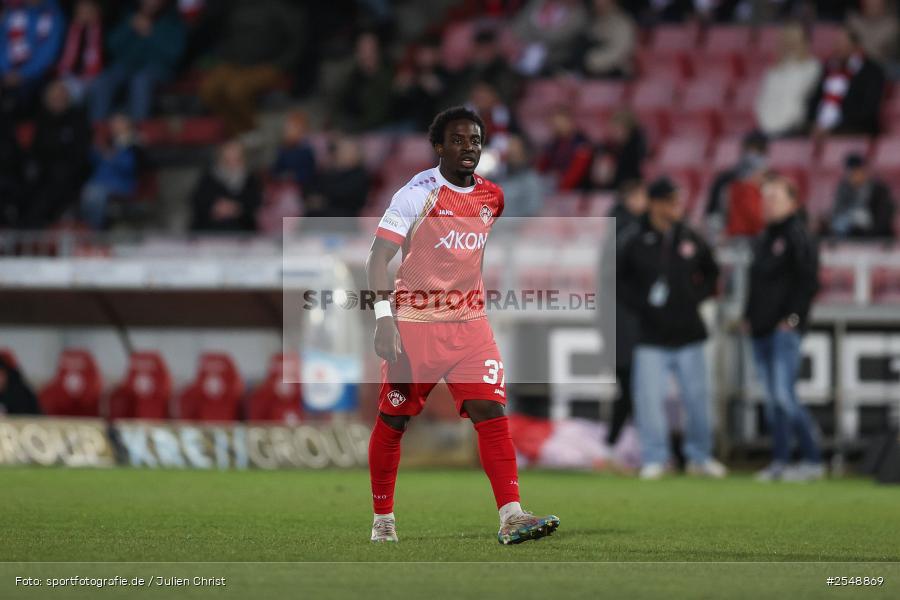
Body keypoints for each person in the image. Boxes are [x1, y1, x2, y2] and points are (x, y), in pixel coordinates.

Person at [366, 106, 559, 544]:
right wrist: (383, 319)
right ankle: (383, 519)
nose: (467, 147)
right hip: (415, 326)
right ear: (438, 146)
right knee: (394, 421)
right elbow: (378, 258)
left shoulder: (493, 197)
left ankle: (512, 515)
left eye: (474, 140)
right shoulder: (416, 194)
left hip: (470, 326)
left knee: (490, 412)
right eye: (457, 139)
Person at [617, 177, 725, 480]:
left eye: (678, 200)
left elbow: (712, 272)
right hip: (651, 335)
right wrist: (642, 305)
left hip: (689, 332)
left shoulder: (690, 235)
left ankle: (700, 456)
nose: (676, 206)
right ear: (655, 203)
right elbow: (619, 279)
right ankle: (655, 457)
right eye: (670, 201)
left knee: (698, 398)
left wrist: (695, 297)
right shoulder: (634, 238)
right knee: (649, 400)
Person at [744, 174, 824, 482]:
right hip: (761, 328)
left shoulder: (797, 234)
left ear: (793, 202)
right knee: (774, 399)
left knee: (783, 396)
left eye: (776, 197)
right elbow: (757, 283)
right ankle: (780, 461)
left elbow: (808, 281)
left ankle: (813, 459)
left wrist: (792, 318)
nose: (769, 204)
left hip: (783, 330)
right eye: (766, 198)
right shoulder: (765, 237)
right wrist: (748, 316)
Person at [198, 0, 304, 135]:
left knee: (236, 92)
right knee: (208, 91)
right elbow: (226, 34)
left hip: (267, 65)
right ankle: (238, 130)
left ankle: (252, 132)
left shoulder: (280, 8)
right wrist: (226, 55)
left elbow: (296, 41)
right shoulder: (237, 6)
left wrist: (282, 65)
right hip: (235, 63)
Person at [88, 0, 186, 123]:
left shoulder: (173, 19)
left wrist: (151, 33)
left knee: (140, 81)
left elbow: (174, 54)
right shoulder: (130, 15)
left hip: (157, 68)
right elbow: (111, 45)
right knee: (102, 82)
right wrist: (129, 27)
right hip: (126, 66)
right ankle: (98, 132)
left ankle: (137, 132)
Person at [605, 180, 647, 446]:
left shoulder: (615, 229)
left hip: (619, 322)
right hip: (627, 323)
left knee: (631, 387)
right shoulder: (629, 232)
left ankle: (616, 443)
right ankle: (617, 443)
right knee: (633, 386)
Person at [21, 79, 91, 227]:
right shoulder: (41, 119)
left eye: (61, 97)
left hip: (69, 177)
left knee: (50, 193)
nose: (57, 100)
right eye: (53, 97)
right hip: (41, 175)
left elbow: (81, 155)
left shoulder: (78, 120)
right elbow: (35, 152)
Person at [807, 26, 885, 137]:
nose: (837, 47)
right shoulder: (828, 68)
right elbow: (815, 98)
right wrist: (813, 122)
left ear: (855, 46)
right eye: (836, 43)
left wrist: (834, 127)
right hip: (819, 129)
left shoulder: (871, 71)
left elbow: (868, 109)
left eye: (842, 43)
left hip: (853, 129)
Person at [0, 0, 65, 119]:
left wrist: (22, 73)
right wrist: (4, 70)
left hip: (37, 74)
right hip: (7, 71)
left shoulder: (52, 13)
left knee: (22, 98)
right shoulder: (14, 10)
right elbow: (3, 41)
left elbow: (48, 52)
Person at [754, 24, 821, 138]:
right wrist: (767, 125)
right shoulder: (773, 71)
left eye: (794, 39)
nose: (790, 44)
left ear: (804, 41)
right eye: (787, 39)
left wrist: (787, 123)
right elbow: (762, 101)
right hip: (767, 128)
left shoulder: (812, 67)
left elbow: (800, 97)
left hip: (793, 128)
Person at [80, 113, 140, 230]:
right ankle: (85, 228)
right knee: (88, 191)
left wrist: (113, 157)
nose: (114, 126)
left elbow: (130, 168)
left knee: (95, 194)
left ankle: (95, 230)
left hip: (121, 185)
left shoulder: (134, 145)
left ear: (128, 125)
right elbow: (92, 161)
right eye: (113, 123)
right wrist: (96, 149)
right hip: (98, 183)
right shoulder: (108, 142)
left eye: (119, 123)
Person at [189, 139, 261, 232]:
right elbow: (198, 201)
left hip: (242, 231)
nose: (231, 164)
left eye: (236, 159)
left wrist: (237, 208)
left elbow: (255, 203)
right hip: (210, 230)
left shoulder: (250, 179)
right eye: (227, 160)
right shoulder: (209, 177)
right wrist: (214, 208)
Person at [706, 131, 768, 237]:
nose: (752, 156)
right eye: (748, 149)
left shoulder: (772, 182)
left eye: (758, 151)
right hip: (732, 239)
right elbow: (712, 215)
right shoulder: (724, 180)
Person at [333, 31, 393, 132]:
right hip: (353, 127)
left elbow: (379, 112)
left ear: (378, 50)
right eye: (362, 48)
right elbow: (337, 104)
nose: (366, 52)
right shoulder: (350, 76)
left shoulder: (389, 74)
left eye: (370, 48)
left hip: (382, 129)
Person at [828, 153, 895, 240]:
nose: (852, 175)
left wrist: (869, 234)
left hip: (876, 238)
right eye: (849, 172)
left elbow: (884, 219)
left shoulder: (879, 190)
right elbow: (837, 212)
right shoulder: (843, 189)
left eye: (855, 171)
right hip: (848, 236)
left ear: (863, 171)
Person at [512, 0, 587, 76]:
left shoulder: (578, 18)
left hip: (549, 62)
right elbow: (521, 20)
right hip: (516, 41)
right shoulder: (538, 2)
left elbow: (554, 39)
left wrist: (521, 41)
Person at [304, 136, 369, 223]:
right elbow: (313, 187)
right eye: (341, 151)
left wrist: (323, 200)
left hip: (344, 217)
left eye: (347, 151)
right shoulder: (330, 171)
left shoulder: (359, 174)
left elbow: (345, 194)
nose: (342, 154)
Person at [56, 0, 103, 104]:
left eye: (88, 12)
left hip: (93, 76)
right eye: (81, 12)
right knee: (56, 92)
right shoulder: (70, 29)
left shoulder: (101, 31)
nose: (84, 16)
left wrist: (92, 27)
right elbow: (65, 57)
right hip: (69, 74)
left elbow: (98, 59)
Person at [536, 106, 593, 191]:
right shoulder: (553, 144)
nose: (556, 127)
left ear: (569, 121)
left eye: (559, 123)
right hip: (554, 188)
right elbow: (541, 168)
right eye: (553, 124)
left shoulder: (581, 143)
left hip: (577, 192)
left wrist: (560, 188)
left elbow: (576, 173)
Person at [579, 0, 636, 79]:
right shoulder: (593, 21)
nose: (598, 4)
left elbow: (620, 53)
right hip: (591, 72)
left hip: (615, 74)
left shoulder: (623, 23)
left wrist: (592, 61)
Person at [592, 109, 646, 190]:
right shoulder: (608, 148)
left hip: (630, 188)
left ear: (628, 129)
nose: (615, 133)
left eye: (618, 129)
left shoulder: (635, 148)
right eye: (613, 129)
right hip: (611, 189)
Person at [493, 134, 544, 218]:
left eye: (515, 152)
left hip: (517, 228)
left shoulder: (531, 180)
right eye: (510, 152)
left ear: (523, 154)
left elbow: (532, 213)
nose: (512, 155)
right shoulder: (499, 178)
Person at [272, 110, 316, 190]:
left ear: (302, 130)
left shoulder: (306, 150)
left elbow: (309, 174)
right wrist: (282, 176)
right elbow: (275, 170)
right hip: (284, 188)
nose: (287, 131)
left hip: (301, 189)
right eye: (287, 128)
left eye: (291, 128)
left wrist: (293, 176)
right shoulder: (283, 149)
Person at [846, 0, 897, 68]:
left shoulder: (893, 25)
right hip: (855, 67)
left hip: (882, 69)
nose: (872, 3)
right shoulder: (852, 21)